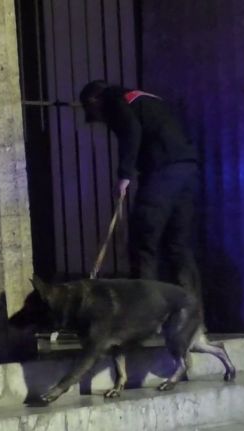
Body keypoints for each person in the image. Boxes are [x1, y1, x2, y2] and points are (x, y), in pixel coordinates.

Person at [78, 80, 202, 296]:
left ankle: (144, 307)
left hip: (162, 172)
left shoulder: (114, 99)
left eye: (95, 114)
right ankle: (191, 308)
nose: (102, 120)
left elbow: (131, 131)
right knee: (178, 244)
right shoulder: (143, 99)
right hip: (187, 168)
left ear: (94, 100)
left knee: (143, 240)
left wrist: (124, 175)